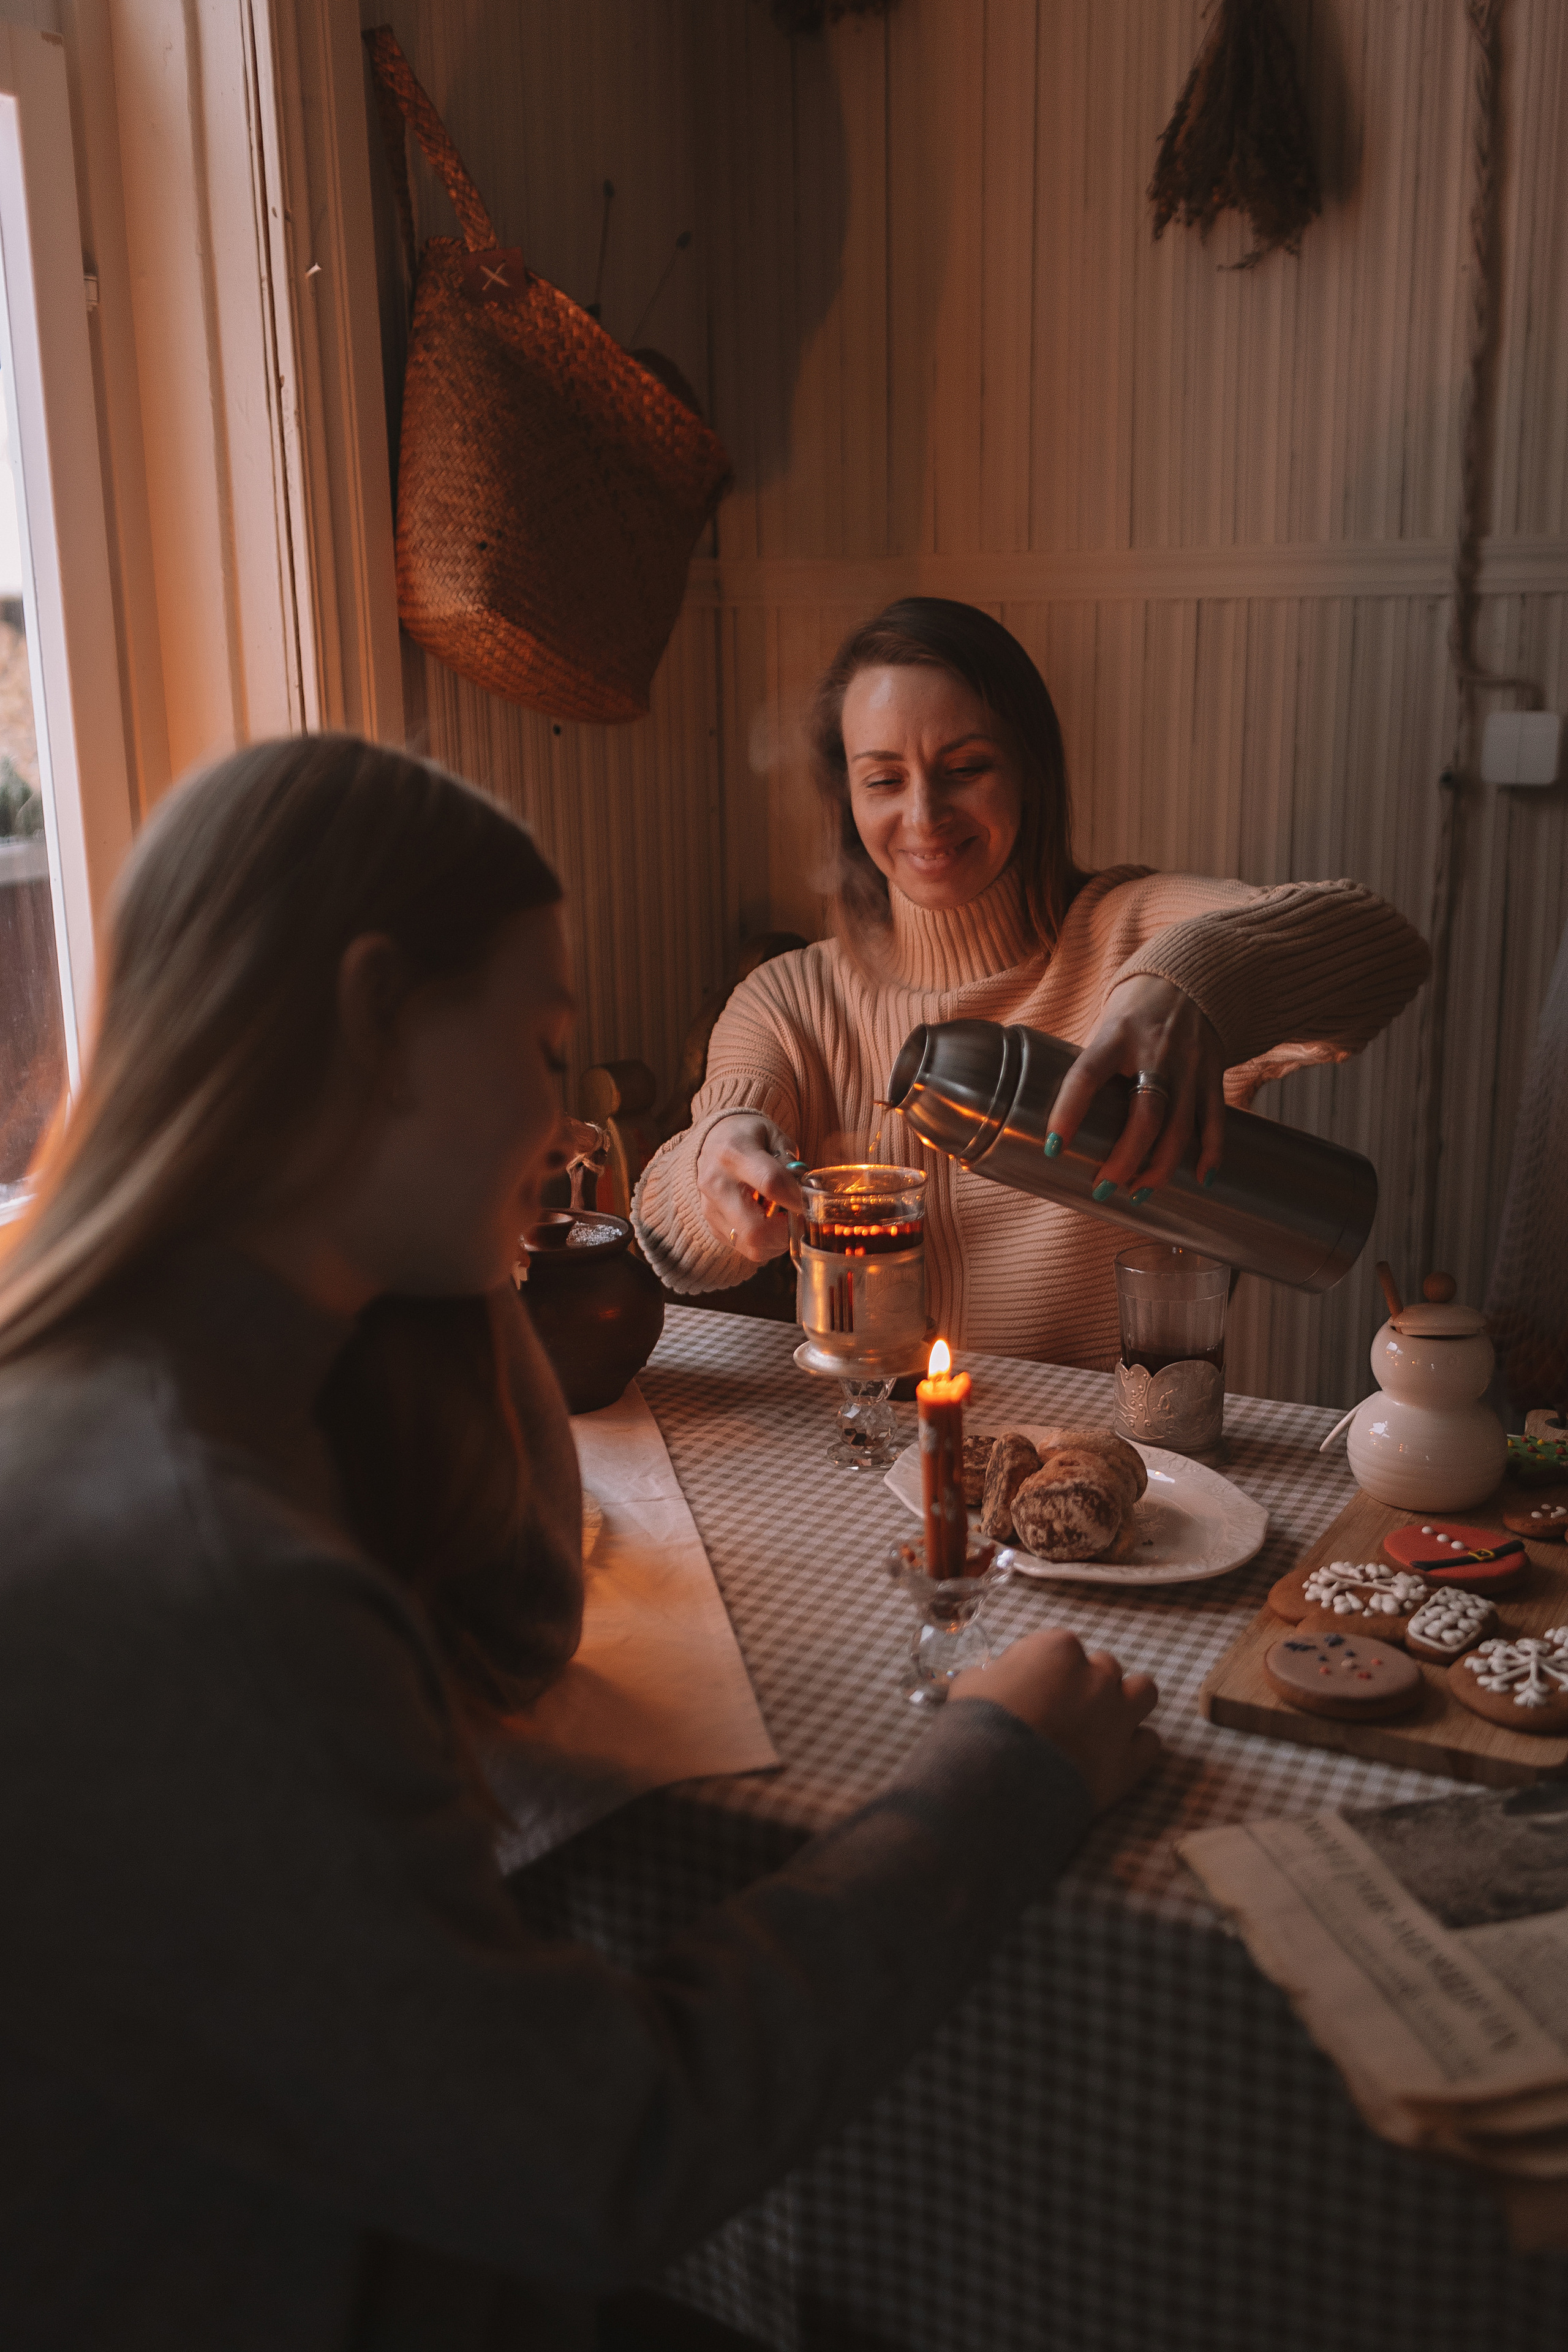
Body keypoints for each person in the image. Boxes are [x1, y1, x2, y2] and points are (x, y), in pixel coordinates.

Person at [0, 734, 1159, 2352]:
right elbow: (605, 2147)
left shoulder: (177, 1380)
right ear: (373, 1014)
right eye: (544, 1053)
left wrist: (458, 1261)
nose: (566, 1133)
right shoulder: (213, 1572)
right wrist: (1003, 1773)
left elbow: (513, 1613)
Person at [633, 600, 1432, 1366]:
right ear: (847, 798)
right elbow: (680, 1248)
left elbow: (1386, 947)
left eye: (966, 768)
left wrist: (1184, 984)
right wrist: (716, 1153)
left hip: (1116, 1439)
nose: (925, 816)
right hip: (866, 1442)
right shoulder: (789, 1001)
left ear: (1030, 774)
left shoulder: (1131, 932)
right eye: (884, 780)